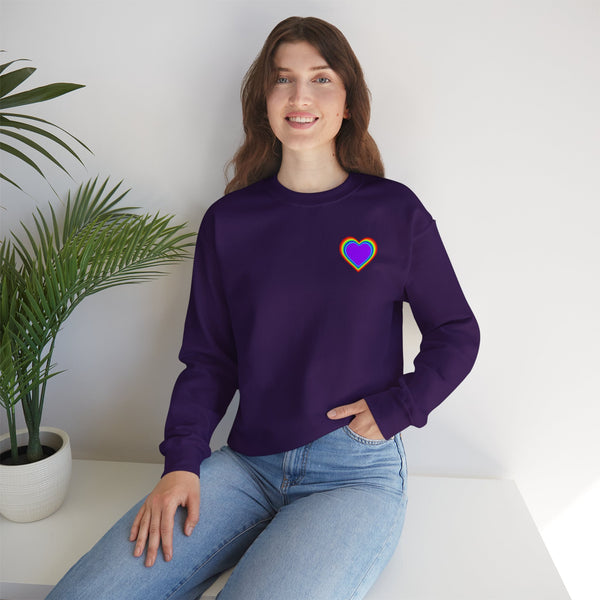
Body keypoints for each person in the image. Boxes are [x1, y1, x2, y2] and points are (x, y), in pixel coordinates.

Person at [46, 15, 480, 600]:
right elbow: (210, 360)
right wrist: (182, 462)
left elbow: (456, 331)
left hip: (353, 474)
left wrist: (399, 406)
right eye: (283, 79)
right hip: (246, 464)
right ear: (264, 100)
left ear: (347, 102)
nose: (300, 96)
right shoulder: (230, 221)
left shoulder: (394, 212)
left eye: (321, 79)